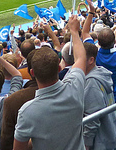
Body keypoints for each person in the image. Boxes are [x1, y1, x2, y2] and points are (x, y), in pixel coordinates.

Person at [13, 16, 87, 150]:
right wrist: (74, 32)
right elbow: (81, 58)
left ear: (32, 73)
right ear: (59, 68)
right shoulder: (75, 87)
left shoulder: (26, 112)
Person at [83, 42, 116, 150]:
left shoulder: (92, 83)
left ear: (91, 60)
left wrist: (86, 144)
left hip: (100, 142)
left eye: (79, 58)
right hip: (108, 136)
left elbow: (92, 118)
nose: (76, 62)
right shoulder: (100, 75)